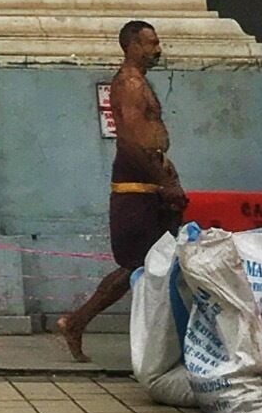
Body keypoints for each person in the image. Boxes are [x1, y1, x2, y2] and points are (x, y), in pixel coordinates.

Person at [56, 20, 187, 361]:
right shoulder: (130, 84)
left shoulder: (138, 82)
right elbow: (132, 140)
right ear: (132, 45)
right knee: (139, 263)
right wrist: (165, 181)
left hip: (149, 182)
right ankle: (77, 322)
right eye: (151, 43)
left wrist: (166, 173)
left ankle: (79, 322)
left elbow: (148, 140)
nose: (158, 50)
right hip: (137, 186)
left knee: (155, 262)